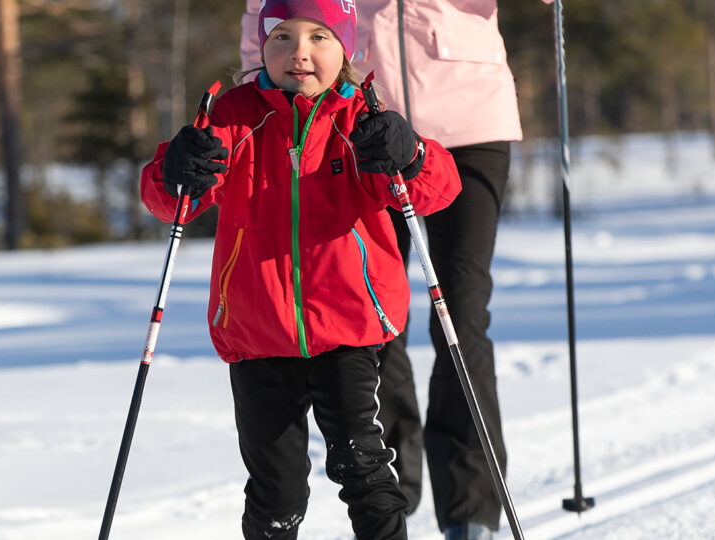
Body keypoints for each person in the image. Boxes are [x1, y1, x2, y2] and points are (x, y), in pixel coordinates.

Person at [138, 0, 463, 537]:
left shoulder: (364, 118)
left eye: (319, 37)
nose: (300, 53)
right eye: (282, 36)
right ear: (262, 44)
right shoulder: (234, 116)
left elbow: (435, 189)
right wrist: (175, 170)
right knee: (276, 489)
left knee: (364, 468)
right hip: (256, 329)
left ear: (346, 47)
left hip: (348, 327)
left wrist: (411, 156)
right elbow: (173, 200)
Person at [243, 1, 528, 538]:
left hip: (467, 116)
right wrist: (266, 91)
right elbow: (268, 11)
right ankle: (392, 493)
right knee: (369, 314)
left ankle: (471, 512)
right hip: (352, 120)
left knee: (460, 314)